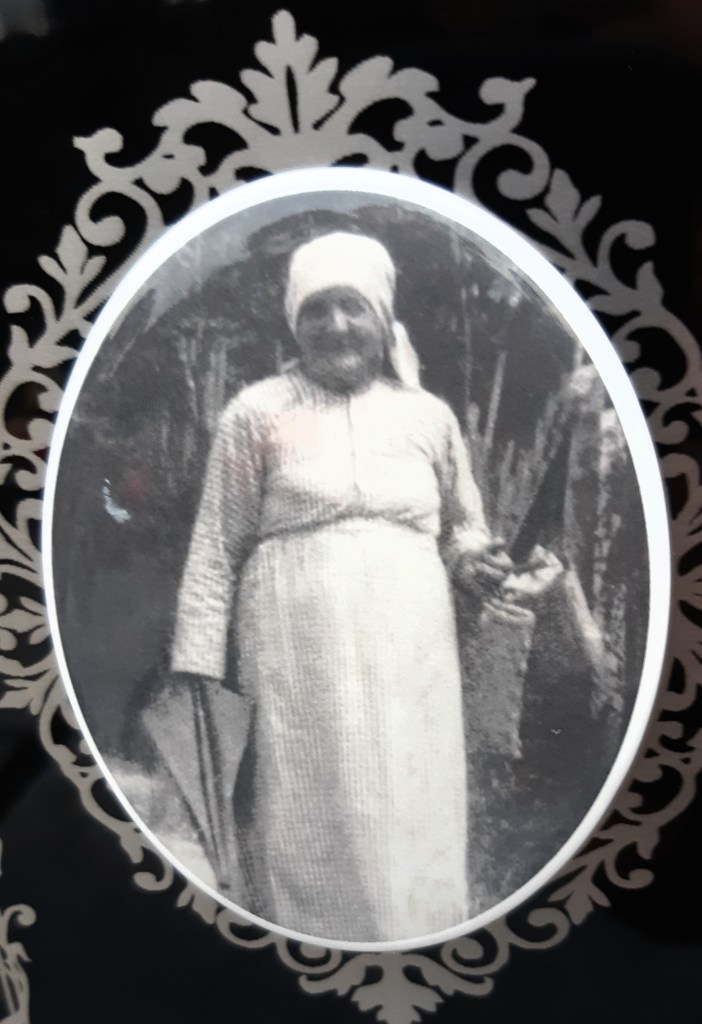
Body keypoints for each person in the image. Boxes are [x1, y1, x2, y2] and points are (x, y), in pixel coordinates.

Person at [171, 231, 507, 943]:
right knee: (312, 815)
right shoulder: (256, 412)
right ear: (294, 322)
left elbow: (464, 527)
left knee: (411, 808)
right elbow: (215, 550)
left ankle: (422, 949)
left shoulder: (428, 417)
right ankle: (311, 960)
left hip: (413, 653)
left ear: (382, 316)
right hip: (298, 657)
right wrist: (197, 673)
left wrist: (474, 559)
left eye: (352, 306)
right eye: (317, 310)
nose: (336, 326)